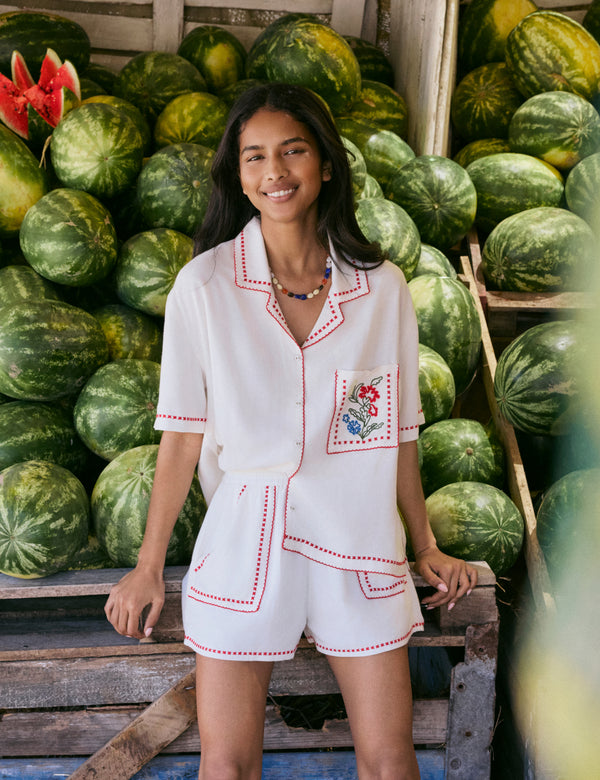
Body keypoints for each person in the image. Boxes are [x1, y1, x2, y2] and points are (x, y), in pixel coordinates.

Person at [105, 82, 478, 780]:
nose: (274, 171)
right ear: (238, 176)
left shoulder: (383, 288)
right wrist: (148, 564)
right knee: (229, 766)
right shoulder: (203, 287)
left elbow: (393, 431)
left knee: (392, 764)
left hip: (359, 538)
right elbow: (181, 436)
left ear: (326, 164)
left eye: (293, 150)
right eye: (254, 157)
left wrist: (424, 544)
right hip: (247, 541)